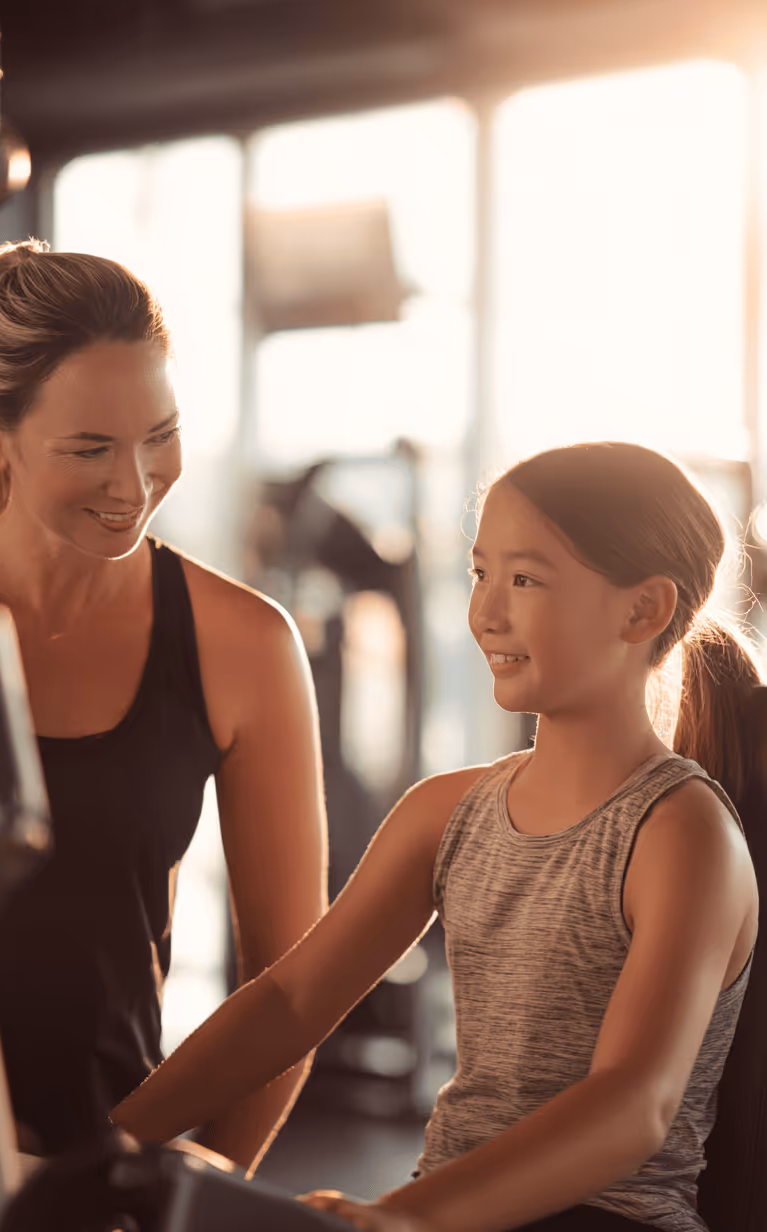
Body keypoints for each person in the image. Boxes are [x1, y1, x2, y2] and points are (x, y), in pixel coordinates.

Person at [111, 441, 762, 1232]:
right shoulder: (447, 813)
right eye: (480, 573)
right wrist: (112, 1142)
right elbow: (289, 1003)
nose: (485, 612)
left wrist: (405, 1216)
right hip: (448, 1203)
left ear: (642, 609)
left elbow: (634, 1104)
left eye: (525, 579)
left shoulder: (681, 834)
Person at [0, 239, 328, 1168]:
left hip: (100, 1171)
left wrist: (187, 1202)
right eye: (90, 448)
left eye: (160, 436)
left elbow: (290, 988)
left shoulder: (245, 647)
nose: (134, 486)